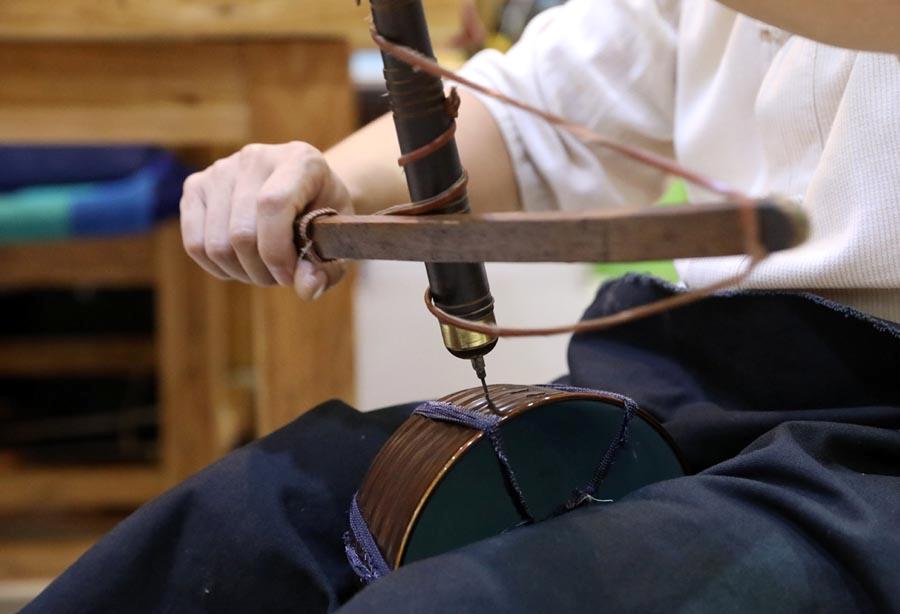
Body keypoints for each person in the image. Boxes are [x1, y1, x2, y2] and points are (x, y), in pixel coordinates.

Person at [26, 1, 900, 612]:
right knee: (244, 525)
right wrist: (328, 183)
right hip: (695, 383)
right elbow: (539, 117)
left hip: (877, 443)